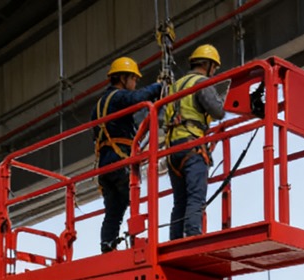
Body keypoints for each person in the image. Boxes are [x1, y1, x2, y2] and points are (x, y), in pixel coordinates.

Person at [93, 57, 163, 253]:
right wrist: (158, 87)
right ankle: (136, 241)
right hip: (119, 160)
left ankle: (107, 245)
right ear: (123, 78)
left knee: (114, 209)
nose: (134, 84)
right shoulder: (118, 97)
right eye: (133, 79)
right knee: (130, 199)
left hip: (105, 167)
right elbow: (136, 98)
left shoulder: (98, 106)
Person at [165, 44, 226, 240]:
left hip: (172, 150)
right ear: (207, 65)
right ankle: (192, 235)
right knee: (196, 196)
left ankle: (175, 238)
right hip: (193, 145)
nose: (214, 72)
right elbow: (218, 112)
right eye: (214, 67)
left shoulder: (174, 87)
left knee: (179, 201)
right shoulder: (201, 83)